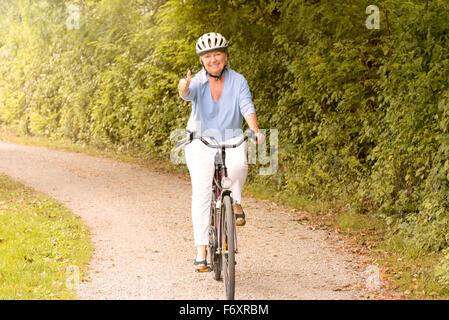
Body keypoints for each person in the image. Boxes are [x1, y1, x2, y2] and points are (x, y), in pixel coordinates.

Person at [178, 32, 264, 270]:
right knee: (202, 193)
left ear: (225, 56)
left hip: (232, 136)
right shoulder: (197, 81)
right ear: (202, 60)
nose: (213, 59)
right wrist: (183, 87)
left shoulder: (238, 81)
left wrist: (254, 130)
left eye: (217, 54)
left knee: (238, 166)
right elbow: (187, 92)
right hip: (200, 140)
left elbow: (246, 106)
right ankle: (201, 250)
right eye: (207, 56)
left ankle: (236, 201)